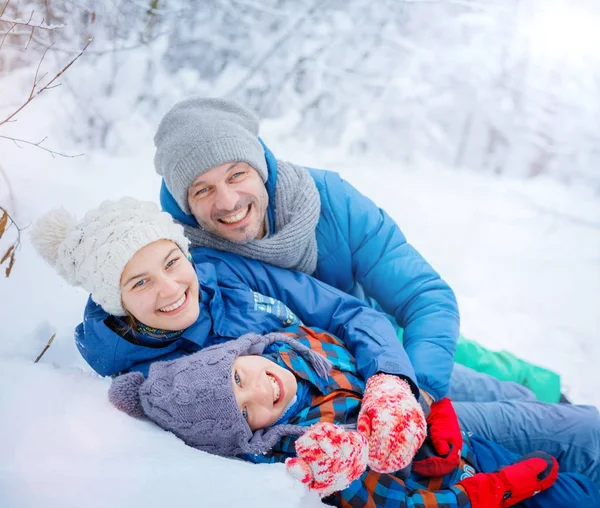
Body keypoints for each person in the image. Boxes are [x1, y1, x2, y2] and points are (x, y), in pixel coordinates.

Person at [150, 98, 600, 476]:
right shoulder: (193, 269)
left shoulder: (326, 199)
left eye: (236, 175)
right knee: (543, 428)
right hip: (339, 389)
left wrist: (414, 392)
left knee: (492, 377)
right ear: (185, 205)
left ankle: (546, 392)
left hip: (386, 344)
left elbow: (423, 296)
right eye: (202, 190)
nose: (227, 202)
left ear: (262, 167)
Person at [30, 198, 600, 485]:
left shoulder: (222, 273)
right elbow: (251, 441)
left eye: (172, 261)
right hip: (375, 426)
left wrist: (392, 381)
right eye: (140, 282)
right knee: (576, 437)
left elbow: (346, 310)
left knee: (529, 403)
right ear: (114, 298)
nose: (173, 287)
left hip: (384, 368)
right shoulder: (158, 378)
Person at [107, 326, 600, 507]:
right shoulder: (312, 449)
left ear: (240, 354)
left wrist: (430, 407)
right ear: (250, 439)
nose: (261, 391)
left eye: (240, 378)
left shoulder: (302, 343)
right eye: (246, 414)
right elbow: (389, 502)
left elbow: (371, 339)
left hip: (457, 439)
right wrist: (479, 495)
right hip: (475, 487)